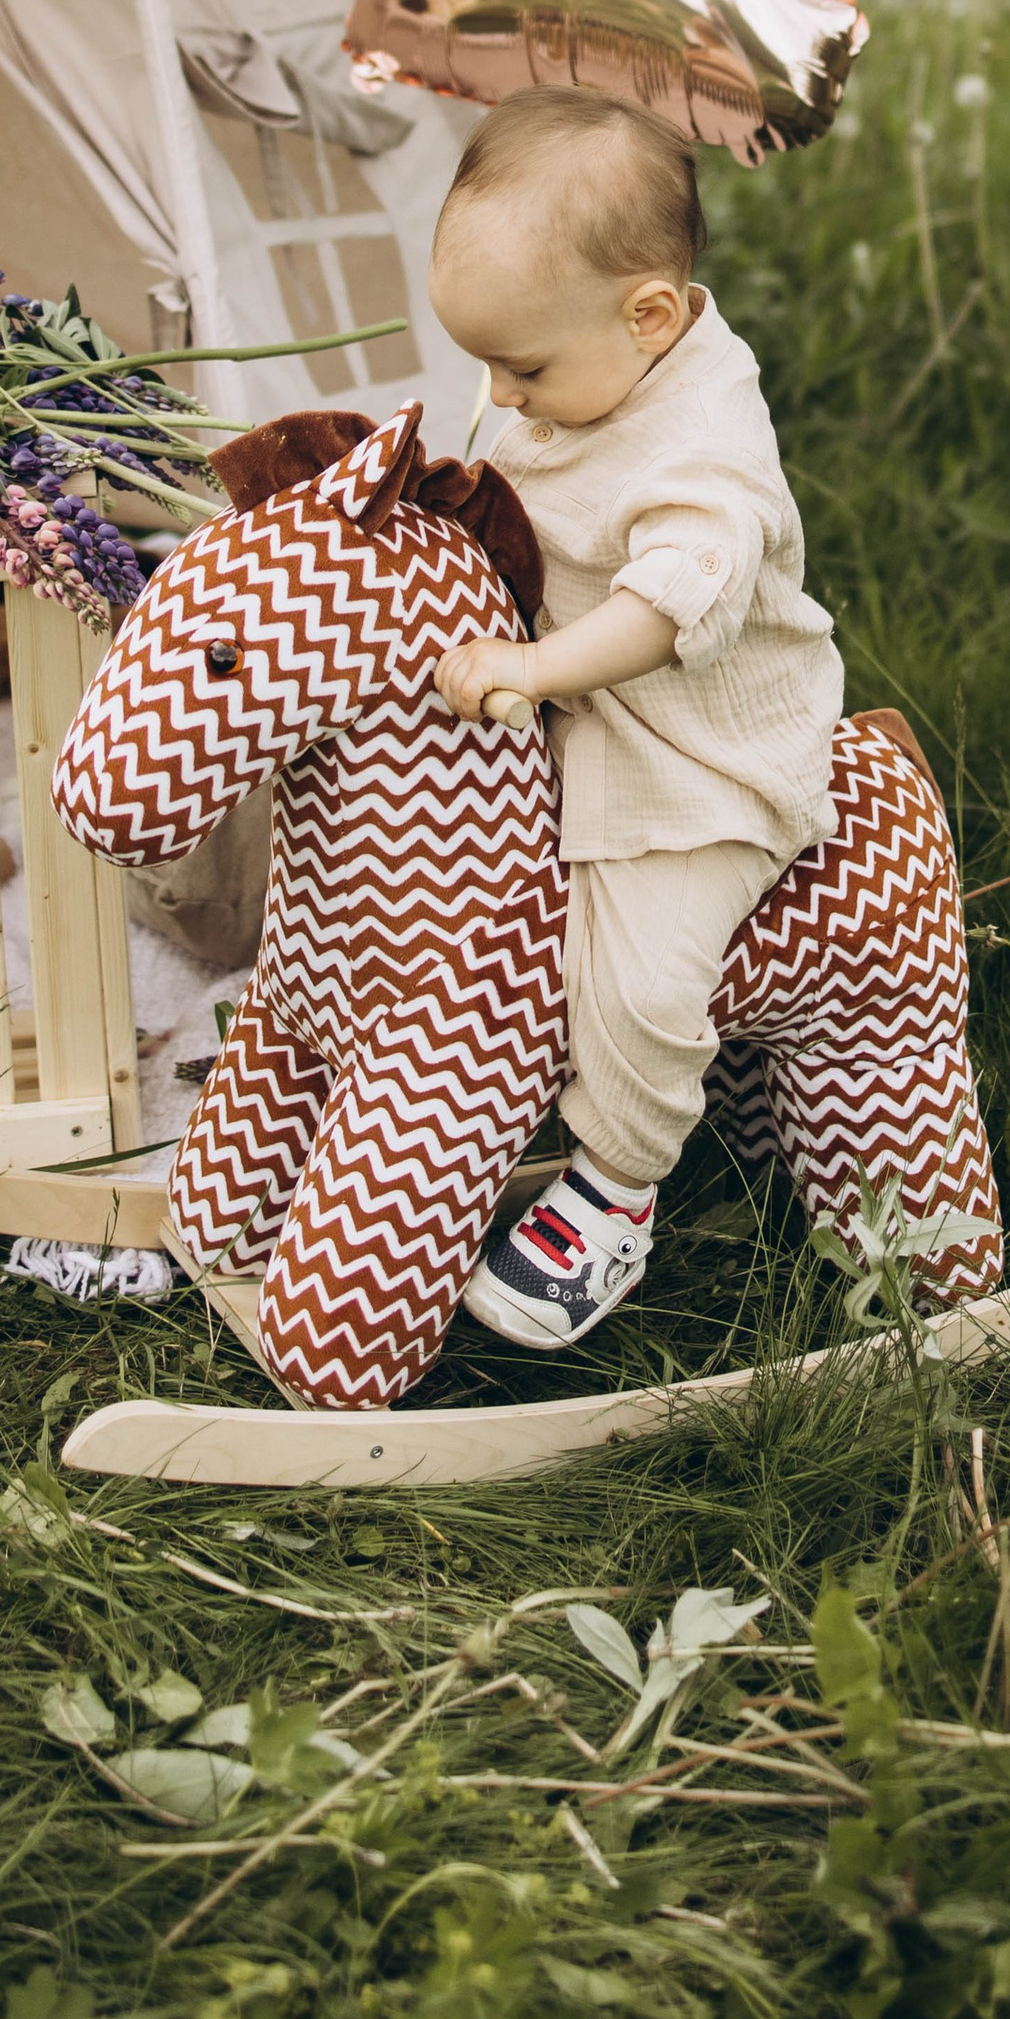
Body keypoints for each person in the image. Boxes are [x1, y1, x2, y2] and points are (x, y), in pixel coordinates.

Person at [427, 87, 843, 1349]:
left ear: (648, 315)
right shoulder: (584, 369)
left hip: (701, 761)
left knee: (640, 970)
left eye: (525, 367)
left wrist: (541, 666)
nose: (500, 393)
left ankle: (615, 1188)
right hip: (579, 712)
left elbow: (667, 606)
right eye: (484, 364)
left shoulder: (704, 447)